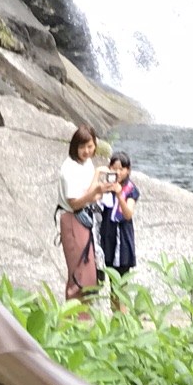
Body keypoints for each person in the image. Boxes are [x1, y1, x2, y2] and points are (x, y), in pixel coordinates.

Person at [57, 125, 113, 302]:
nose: (86, 151)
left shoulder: (86, 163)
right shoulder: (69, 169)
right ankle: (73, 316)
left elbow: (89, 193)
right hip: (73, 218)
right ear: (74, 147)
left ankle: (84, 314)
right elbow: (74, 203)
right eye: (82, 147)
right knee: (79, 273)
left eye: (90, 146)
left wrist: (98, 177)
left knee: (90, 272)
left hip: (85, 218)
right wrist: (95, 191)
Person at [97, 151, 140, 284]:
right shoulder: (106, 186)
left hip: (122, 238)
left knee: (121, 282)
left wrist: (120, 195)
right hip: (107, 235)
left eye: (121, 169)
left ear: (128, 170)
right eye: (114, 168)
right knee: (109, 278)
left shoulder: (130, 189)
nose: (118, 172)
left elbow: (128, 214)